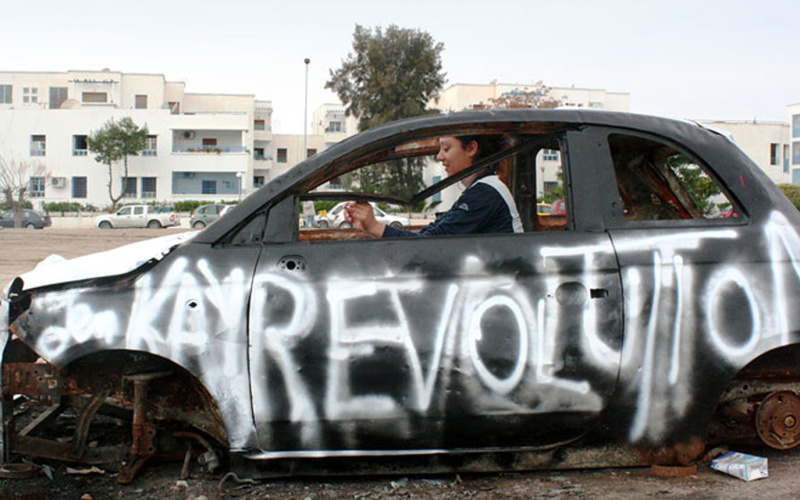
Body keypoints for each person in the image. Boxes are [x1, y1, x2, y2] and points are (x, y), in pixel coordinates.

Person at [345, 135, 523, 238]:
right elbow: (434, 230)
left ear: (471, 149)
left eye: (446, 149)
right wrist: (370, 228)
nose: (439, 157)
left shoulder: (486, 193)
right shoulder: (480, 189)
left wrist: (375, 226)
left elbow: (431, 244)